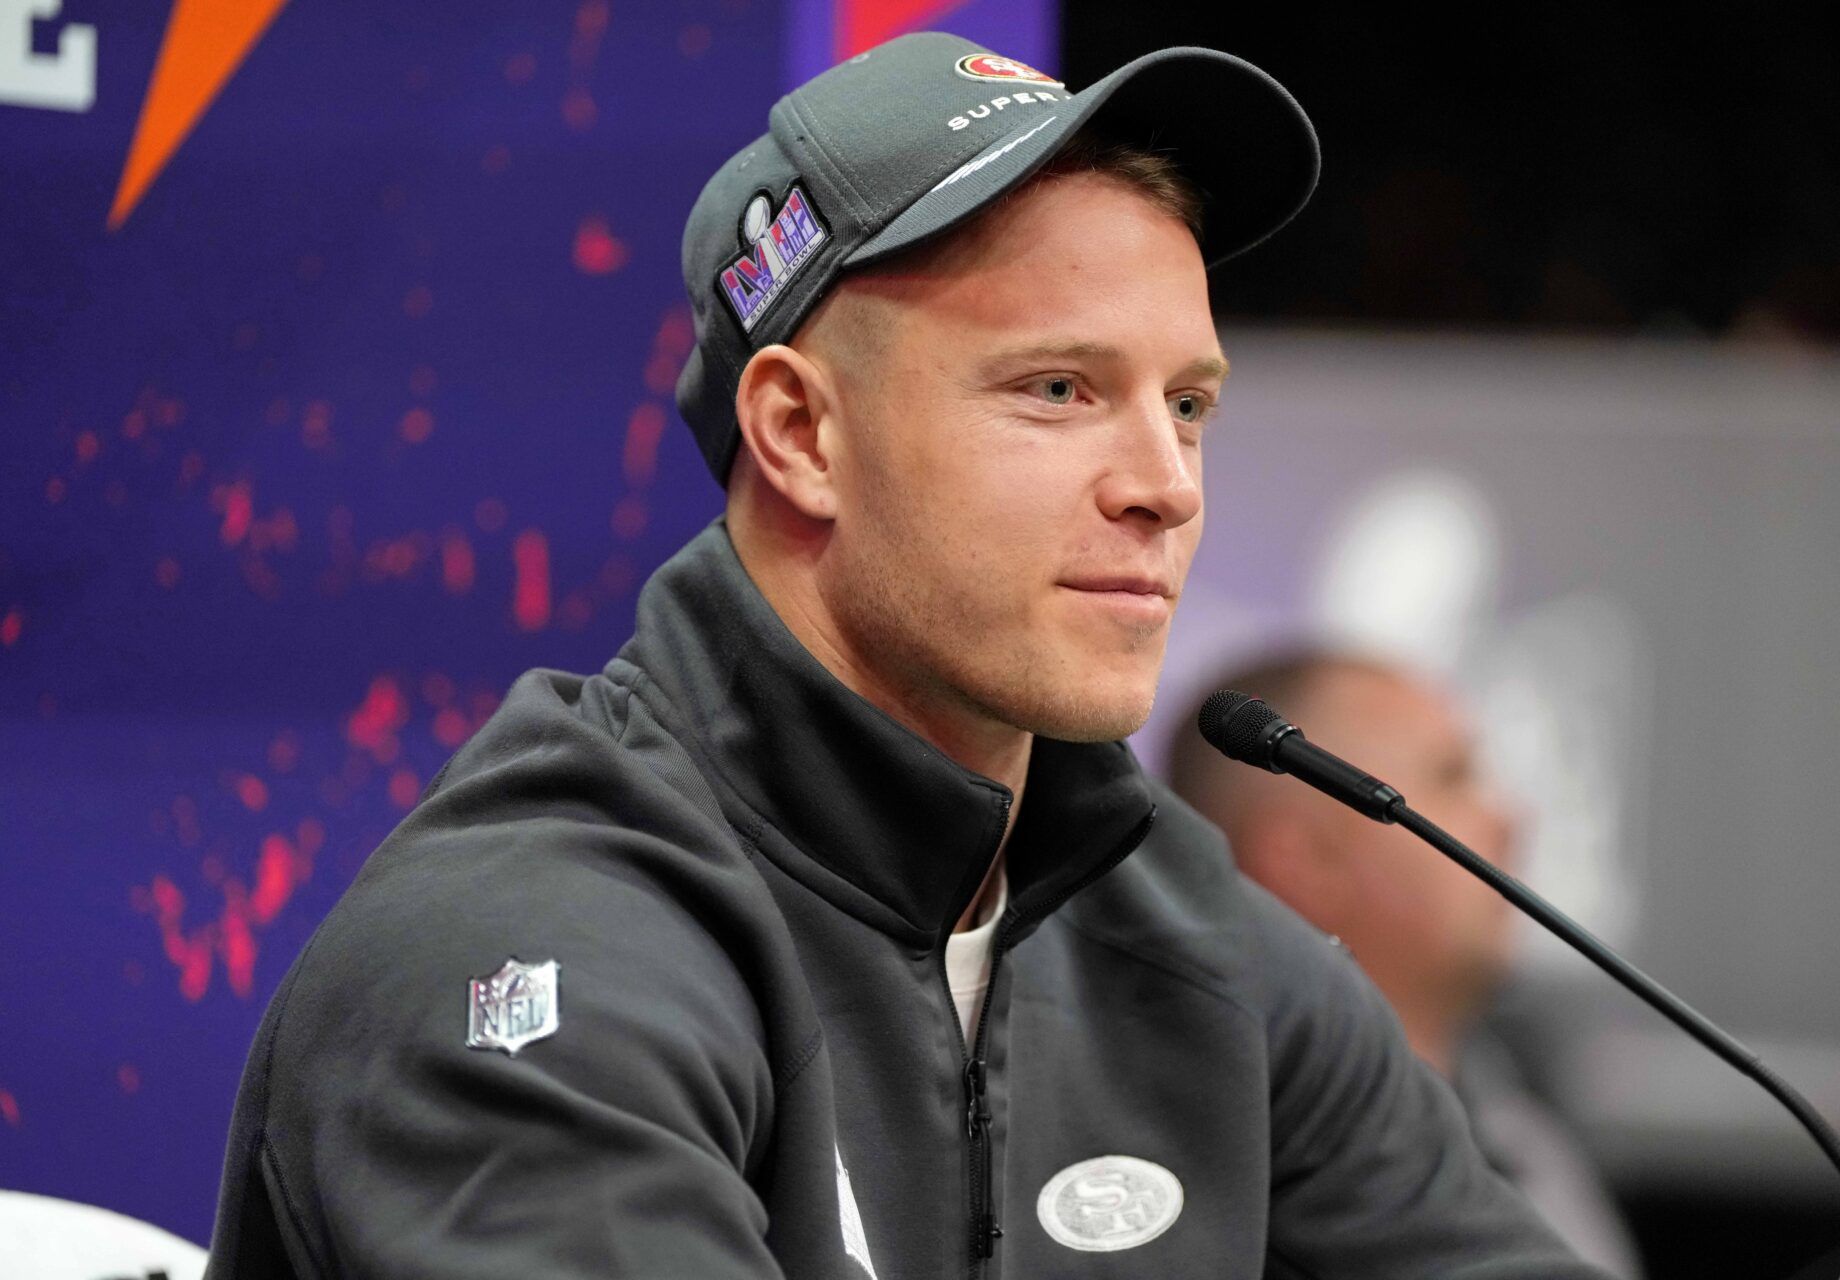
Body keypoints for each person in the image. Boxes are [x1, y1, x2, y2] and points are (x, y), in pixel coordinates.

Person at [203, 33, 1607, 1279]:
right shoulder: (527, 952)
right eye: (1060, 390)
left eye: (1187, 404)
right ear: (802, 436)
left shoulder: (1192, 936)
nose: (1166, 483)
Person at [1167, 648, 1644, 1278]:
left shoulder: (1521, 1123)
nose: (1511, 818)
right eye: (1454, 776)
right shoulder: (1225, 1174)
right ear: (1304, 860)